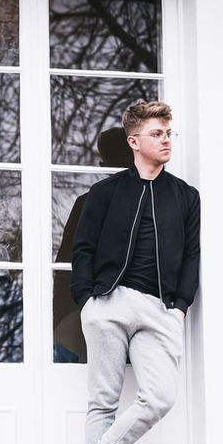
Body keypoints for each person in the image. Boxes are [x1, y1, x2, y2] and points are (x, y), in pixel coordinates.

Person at [60, 101, 201, 444]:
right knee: (102, 401)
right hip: (109, 302)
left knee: (158, 397)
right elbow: (81, 251)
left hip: (160, 309)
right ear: (134, 141)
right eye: (157, 134)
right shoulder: (104, 193)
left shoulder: (185, 196)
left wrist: (179, 308)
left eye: (168, 133)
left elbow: (192, 257)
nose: (166, 141)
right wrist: (87, 301)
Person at [53, 127, 134, 363]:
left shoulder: (158, 201)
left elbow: (65, 268)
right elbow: (66, 267)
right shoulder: (87, 204)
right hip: (94, 312)